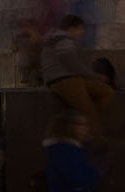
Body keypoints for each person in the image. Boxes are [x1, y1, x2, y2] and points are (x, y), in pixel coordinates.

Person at [42, 14, 114, 142]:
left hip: (73, 78)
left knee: (106, 92)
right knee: (89, 111)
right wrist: (96, 76)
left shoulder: (61, 40)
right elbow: (72, 63)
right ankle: (96, 140)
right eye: (80, 29)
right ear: (71, 28)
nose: (82, 33)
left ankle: (84, 123)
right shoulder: (62, 40)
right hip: (64, 80)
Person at [43, 112, 97, 192]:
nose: (86, 128)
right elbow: (75, 180)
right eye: (81, 124)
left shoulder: (72, 148)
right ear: (69, 126)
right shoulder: (61, 151)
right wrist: (96, 172)